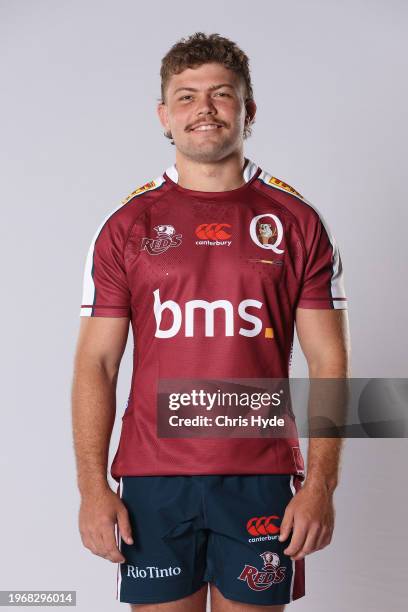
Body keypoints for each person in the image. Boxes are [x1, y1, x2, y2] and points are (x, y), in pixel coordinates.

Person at [71, 32, 350, 611]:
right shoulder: (126, 225)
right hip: (153, 478)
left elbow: (329, 361)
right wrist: (91, 487)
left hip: (261, 476)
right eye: (186, 96)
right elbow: (96, 363)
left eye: (222, 94)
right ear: (164, 116)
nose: (204, 108)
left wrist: (321, 483)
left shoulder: (296, 222)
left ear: (248, 110)